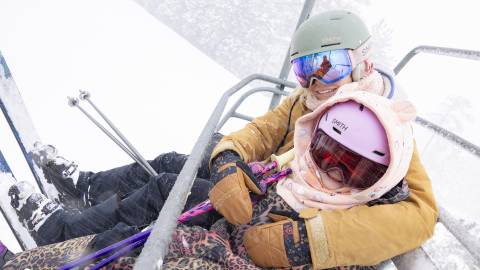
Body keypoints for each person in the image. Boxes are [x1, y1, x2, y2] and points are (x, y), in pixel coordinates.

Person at [5, 9, 436, 268]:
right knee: (180, 160)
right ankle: (90, 185)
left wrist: (309, 241)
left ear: (363, 61)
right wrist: (229, 159)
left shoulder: (385, 128)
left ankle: (65, 229)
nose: (318, 81)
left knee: (170, 188)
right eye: (307, 69)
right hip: (267, 187)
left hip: (285, 213)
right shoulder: (308, 101)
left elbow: (419, 213)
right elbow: (261, 131)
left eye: (331, 65)